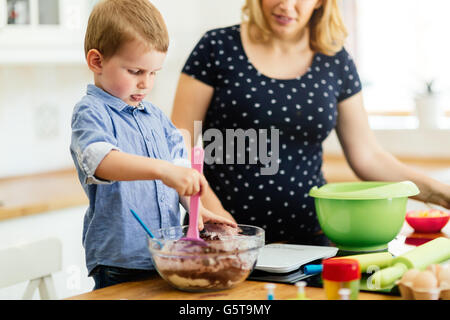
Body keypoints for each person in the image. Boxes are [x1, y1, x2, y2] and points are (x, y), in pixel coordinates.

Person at [171, 0, 450, 245]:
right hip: (221, 237)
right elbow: (177, 145)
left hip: (311, 239)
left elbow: (369, 156)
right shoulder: (216, 47)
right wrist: (216, 217)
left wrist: (442, 194)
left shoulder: (336, 61)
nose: (286, 5)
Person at [70, 0, 236, 290]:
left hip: (166, 256)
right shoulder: (91, 112)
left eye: (154, 72)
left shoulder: (155, 116)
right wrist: (163, 170)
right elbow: (101, 161)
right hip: (120, 262)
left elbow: (180, 170)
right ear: (97, 61)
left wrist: (195, 209)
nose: (146, 84)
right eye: (135, 72)